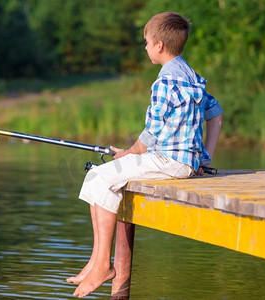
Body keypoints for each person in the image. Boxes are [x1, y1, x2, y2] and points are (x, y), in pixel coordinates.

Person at [68, 11, 223, 298]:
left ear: (160, 46)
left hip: (167, 161)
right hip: (182, 162)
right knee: (98, 177)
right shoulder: (192, 77)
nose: (145, 47)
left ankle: (103, 266)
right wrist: (204, 159)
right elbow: (216, 115)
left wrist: (129, 153)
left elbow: (151, 133)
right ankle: (96, 261)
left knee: (99, 178)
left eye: (146, 42)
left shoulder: (164, 82)